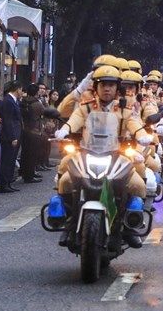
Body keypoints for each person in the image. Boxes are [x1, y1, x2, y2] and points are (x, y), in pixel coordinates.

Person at [53, 65, 151, 248]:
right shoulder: (86, 107)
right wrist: (65, 130)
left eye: (111, 85)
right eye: (103, 85)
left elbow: (134, 123)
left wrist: (142, 135)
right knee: (65, 181)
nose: (107, 89)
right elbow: (74, 119)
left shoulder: (125, 108)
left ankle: (130, 226)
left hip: (117, 155)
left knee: (138, 185)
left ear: (117, 88)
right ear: (96, 87)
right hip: (87, 153)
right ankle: (70, 222)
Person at [0, 80, 24, 193]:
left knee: (12, 160)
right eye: (21, 90)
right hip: (9, 136)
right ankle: (3, 184)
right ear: (17, 89)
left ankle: (8, 182)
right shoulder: (8, 101)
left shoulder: (14, 101)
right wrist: (13, 137)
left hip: (15, 134)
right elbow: (8, 121)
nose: (22, 92)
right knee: (7, 160)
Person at [19, 83, 44, 184]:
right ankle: (29, 175)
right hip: (34, 131)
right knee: (32, 154)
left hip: (24, 130)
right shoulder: (37, 103)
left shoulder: (23, 101)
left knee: (25, 153)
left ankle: (24, 172)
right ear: (36, 92)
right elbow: (43, 112)